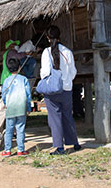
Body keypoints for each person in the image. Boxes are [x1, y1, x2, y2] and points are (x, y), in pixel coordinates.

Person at [40, 25, 80, 155]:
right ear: (60, 35)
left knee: (55, 118)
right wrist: (67, 80)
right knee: (68, 115)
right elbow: (73, 72)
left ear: (47, 37)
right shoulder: (68, 52)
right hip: (67, 89)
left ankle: (59, 147)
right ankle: (75, 142)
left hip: (53, 90)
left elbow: (45, 72)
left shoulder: (46, 52)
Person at [0, 39, 36, 140]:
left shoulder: (5, 54)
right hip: (9, 81)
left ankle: (12, 132)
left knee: (10, 106)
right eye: (13, 45)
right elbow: (20, 56)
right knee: (5, 106)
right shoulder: (12, 52)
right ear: (10, 46)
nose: (15, 46)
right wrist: (27, 53)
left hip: (6, 80)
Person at [1, 58, 31, 157]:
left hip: (11, 107)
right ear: (19, 67)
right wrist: (28, 108)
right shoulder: (24, 79)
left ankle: (7, 150)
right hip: (21, 106)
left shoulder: (6, 81)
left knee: (9, 129)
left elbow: (4, 95)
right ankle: (20, 150)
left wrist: (6, 103)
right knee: (20, 129)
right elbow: (28, 95)